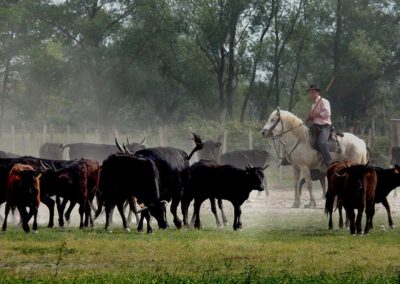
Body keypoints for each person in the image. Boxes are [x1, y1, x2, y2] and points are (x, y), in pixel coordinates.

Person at [307, 84, 332, 168]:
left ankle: (329, 164)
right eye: (310, 92)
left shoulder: (324, 101)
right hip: (315, 126)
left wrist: (315, 115)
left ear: (316, 92)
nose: (310, 94)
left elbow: (327, 113)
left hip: (324, 126)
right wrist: (310, 118)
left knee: (322, 143)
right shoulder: (313, 104)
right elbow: (314, 116)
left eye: (312, 92)